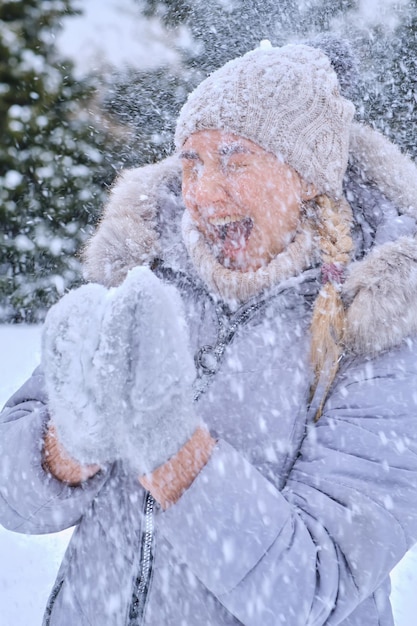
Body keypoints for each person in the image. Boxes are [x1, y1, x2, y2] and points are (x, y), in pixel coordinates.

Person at [2, 39, 417, 626]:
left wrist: (177, 454)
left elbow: (314, 589)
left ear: (305, 178)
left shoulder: (380, 331)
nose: (200, 191)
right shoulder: (146, 281)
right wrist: (68, 444)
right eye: (191, 161)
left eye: (232, 158)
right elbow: (9, 497)